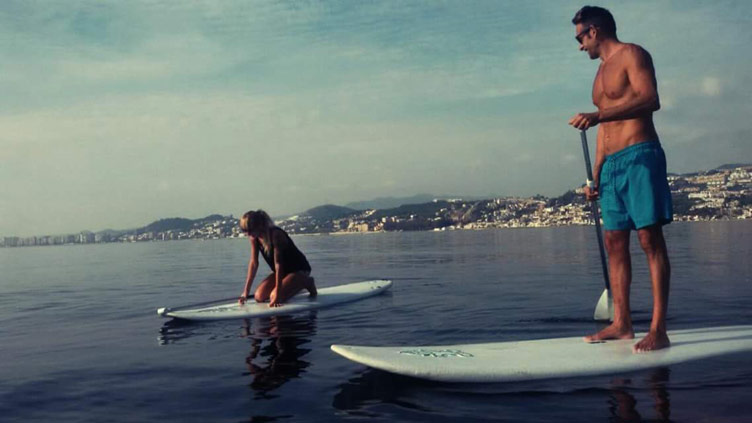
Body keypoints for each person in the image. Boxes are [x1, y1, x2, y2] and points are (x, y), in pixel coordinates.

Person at [568, 6, 672, 353]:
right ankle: (622, 323)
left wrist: (598, 114)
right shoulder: (598, 76)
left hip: (640, 155)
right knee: (615, 242)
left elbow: (650, 99)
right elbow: (603, 130)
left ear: (594, 31)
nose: (580, 45)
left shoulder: (633, 54)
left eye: (580, 38)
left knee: (649, 239)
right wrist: (594, 176)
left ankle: (658, 329)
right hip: (611, 165)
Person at [238, 210, 317, 307]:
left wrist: (277, 295)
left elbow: (278, 264)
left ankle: (307, 282)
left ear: (260, 225)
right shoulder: (254, 237)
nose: (248, 233)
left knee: (275, 296)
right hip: (283, 272)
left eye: (250, 230)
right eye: (245, 230)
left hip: (298, 269)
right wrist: (246, 291)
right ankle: (290, 285)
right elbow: (254, 263)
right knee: (259, 297)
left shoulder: (276, 235)